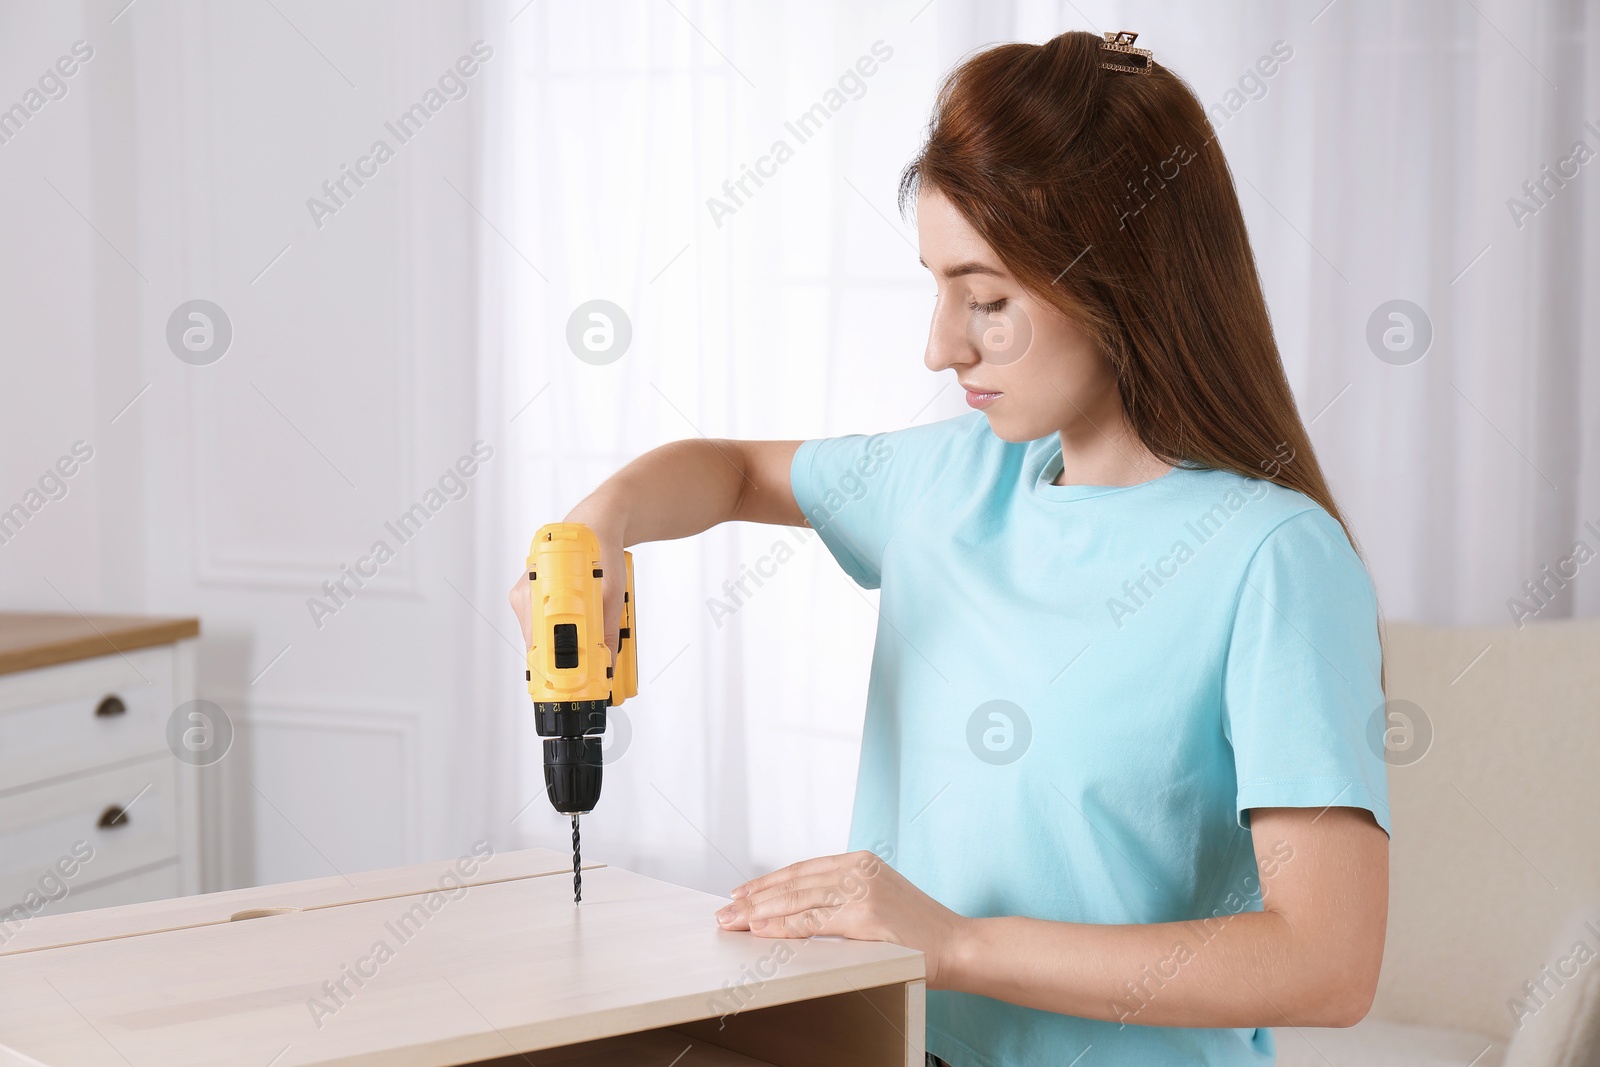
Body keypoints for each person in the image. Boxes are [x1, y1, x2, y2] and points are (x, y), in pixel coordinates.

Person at [511, 28, 1389, 1067]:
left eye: (987, 300)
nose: (942, 345)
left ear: (1126, 280)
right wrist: (598, 525)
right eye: (937, 288)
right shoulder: (954, 479)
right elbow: (731, 470)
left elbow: (1327, 961)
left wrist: (955, 942)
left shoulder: (1273, 558)